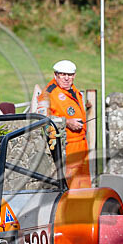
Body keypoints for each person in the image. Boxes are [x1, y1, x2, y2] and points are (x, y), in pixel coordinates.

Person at [38, 59, 91, 188]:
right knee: (70, 184)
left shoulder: (73, 90)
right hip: (66, 145)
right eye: (63, 74)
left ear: (74, 76)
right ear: (55, 75)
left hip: (81, 144)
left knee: (84, 183)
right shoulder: (48, 94)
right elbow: (41, 118)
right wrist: (66, 122)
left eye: (70, 75)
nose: (66, 78)